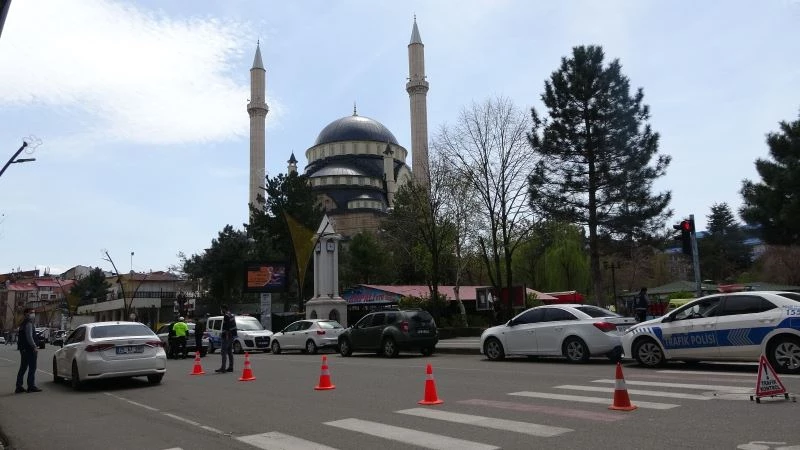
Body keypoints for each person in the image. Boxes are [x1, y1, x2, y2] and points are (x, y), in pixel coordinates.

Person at [16, 308, 41, 393]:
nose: (33, 314)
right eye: (31, 312)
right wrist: (34, 346)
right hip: (29, 348)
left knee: (23, 367)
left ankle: (19, 386)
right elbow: (29, 336)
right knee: (32, 367)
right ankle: (31, 386)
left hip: (23, 348)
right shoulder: (29, 323)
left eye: (34, 312)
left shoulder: (22, 323)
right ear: (26, 313)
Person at [216, 305, 236, 373]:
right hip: (232, 335)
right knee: (230, 352)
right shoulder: (232, 315)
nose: (221, 311)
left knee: (223, 352)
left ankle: (223, 368)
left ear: (224, 309)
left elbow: (227, 327)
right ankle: (231, 367)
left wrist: (226, 336)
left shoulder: (226, 316)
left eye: (221, 309)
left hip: (227, 336)